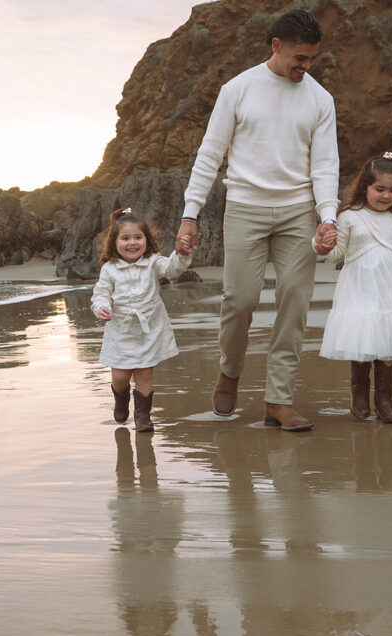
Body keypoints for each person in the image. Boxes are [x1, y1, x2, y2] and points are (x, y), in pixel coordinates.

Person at [175, 9, 340, 432]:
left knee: (295, 302)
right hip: (245, 206)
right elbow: (210, 154)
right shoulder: (238, 89)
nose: (305, 67)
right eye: (299, 58)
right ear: (276, 46)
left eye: (312, 60)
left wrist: (327, 217)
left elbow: (325, 165)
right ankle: (229, 372)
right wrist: (190, 214)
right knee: (241, 300)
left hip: (298, 211)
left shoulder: (321, 100)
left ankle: (278, 401)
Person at [315, 152, 392, 423]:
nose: (386, 196)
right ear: (365, 187)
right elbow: (336, 253)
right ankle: (359, 395)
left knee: (389, 345)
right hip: (358, 289)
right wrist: (322, 244)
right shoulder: (348, 216)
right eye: (379, 189)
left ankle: (384, 400)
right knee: (363, 340)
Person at [92, 208, 192, 431]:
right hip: (121, 330)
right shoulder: (110, 269)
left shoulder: (153, 262)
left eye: (138, 237)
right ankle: (120, 398)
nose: (132, 243)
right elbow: (101, 293)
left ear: (147, 239)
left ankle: (143, 416)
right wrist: (102, 307)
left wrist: (182, 253)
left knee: (145, 373)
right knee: (120, 375)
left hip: (149, 329)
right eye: (125, 238)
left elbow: (172, 267)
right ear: (114, 242)